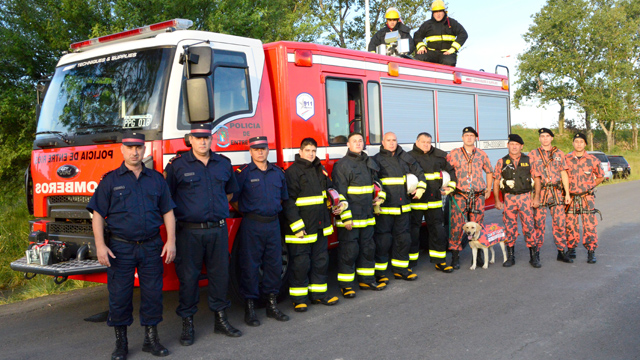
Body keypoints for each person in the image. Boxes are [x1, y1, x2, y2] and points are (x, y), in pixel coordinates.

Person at [87, 131, 176, 360]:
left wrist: (171, 241)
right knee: (120, 296)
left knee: (152, 294)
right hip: (120, 249)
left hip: (151, 246)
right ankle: (121, 344)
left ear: (144, 149)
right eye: (130, 147)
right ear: (122, 150)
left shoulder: (156, 179)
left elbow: (168, 211)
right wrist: (100, 246)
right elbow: (97, 215)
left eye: (139, 147)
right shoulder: (110, 180)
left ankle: (151, 339)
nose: (135, 152)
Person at [164, 123, 241, 346]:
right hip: (189, 232)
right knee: (188, 279)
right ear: (191, 140)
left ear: (211, 139)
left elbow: (229, 193)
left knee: (220, 276)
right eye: (198, 138)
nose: (203, 142)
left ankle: (221, 319)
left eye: (206, 137)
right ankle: (187, 324)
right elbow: (166, 199)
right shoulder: (177, 166)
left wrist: (213, 210)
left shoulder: (223, 164)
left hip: (217, 230)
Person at [231, 136, 290, 326]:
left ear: (268, 150)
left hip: (273, 224)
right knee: (250, 265)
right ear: (250, 152)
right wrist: (251, 212)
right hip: (252, 225)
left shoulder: (278, 173)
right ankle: (250, 308)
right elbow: (234, 199)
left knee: (273, 264)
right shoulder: (243, 173)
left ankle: (271, 305)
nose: (260, 152)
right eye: (256, 149)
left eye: (263, 148)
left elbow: (282, 198)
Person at [282, 138, 343, 312]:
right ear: (300, 152)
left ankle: (319, 295)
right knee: (301, 264)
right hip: (301, 229)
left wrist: (335, 206)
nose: (310, 153)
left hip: (320, 226)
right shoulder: (292, 172)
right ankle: (299, 299)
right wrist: (297, 226)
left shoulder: (321, 170)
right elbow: (289, 202)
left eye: (313, 150)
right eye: (307, 150)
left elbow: (330, 192)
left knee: (320, 262)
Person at [332, 132, 386, 298]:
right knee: (349, 252)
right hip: (351, 219)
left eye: (360, 141)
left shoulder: (368, 162)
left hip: (368, 216)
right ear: (348, 145)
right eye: (354, 141)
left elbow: (377, 183)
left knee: (367, 249)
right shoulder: (342, 165)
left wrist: (380, 197)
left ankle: (366, 280)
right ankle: (346, 286)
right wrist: (346, 217)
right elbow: (340, 194)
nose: (357, 143)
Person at [371, 132, 426, 282]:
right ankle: (380, 274)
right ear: (383, 142)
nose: (391, 143)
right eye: (388, 140)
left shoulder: (405, 157)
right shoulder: (376, 160)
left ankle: (400, 270)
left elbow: (420, 173)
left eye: (394, 140)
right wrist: (376, 200)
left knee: (403, 240)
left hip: (403, 208)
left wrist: (420, 188)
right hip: (385, 210)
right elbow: (373, 182)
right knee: (383, 242)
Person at [408, 132, 457, 273]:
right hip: (416, 201)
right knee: (413, 232)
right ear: (417, 142)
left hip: (434, 200)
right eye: (423, 141)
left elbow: (451, 171)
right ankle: (410, 264)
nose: (426, 144)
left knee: (438, 232)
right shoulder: (409, 157)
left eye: (429, 142)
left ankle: (440, 261)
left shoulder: (439, 156)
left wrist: (451, 187)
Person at [446, 127, 493, 269]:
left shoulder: (481, 154)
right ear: (462, 138)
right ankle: (455, 256)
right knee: (456, 226)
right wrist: (448, 187)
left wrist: (489, 188)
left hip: (478, 195)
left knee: (477, 225)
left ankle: (478, 256)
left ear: (475, 138)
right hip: (460, 195)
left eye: (472, 135)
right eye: (466, 135)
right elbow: (447, 171)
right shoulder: (454, 154)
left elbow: (490, 171)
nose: (469, 138)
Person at [492, 134, 540, 268]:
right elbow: (496, 182)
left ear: (521, 146)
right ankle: (510, 257)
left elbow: (537, 180)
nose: (514, 147)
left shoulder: (529, 160)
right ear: (508, 146)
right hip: (509, 198)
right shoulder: (502, 162)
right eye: (512, 144)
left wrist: (536, 198)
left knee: (529, 226)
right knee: (509, 227)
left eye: (517, 145)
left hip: (525, 197)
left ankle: (534, 257)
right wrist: (497, 200)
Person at [530, 128, 573, 264]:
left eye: (547, 136)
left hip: (556, 192)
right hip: (540, 192)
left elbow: (564, 173)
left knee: (559, 223)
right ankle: (535, 254)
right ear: (539, 139)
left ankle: (561, 251)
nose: (545, 138)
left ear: (552, 138)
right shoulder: (533, 154)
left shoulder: (559, 153)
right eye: (542, 136)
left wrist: (567, 193)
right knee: (538, 224)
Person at [564, 133, 604, 263]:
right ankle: (571, 249)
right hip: (571, 198)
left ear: (585, 144)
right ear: (573, 143)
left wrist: (589, 186)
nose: (579, 144)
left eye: (581, 141)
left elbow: (600, 176)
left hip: (587, 198)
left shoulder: (592, 160)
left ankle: (591, 251)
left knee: (589, 226)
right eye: (576, 141)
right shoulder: (566, 158)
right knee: (570, 225)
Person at [413, 0, 468, 66]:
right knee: (419, 57)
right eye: (436, 12)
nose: (438, 14)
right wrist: (421, 46)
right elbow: (417, 35)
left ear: (444, 12)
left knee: (449, 62)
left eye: (440, 11)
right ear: (432, 13)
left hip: (447, 53)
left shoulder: (452, 23)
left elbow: (463, 34)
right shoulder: (427, 24)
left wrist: (453, 49)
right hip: (431, 53)